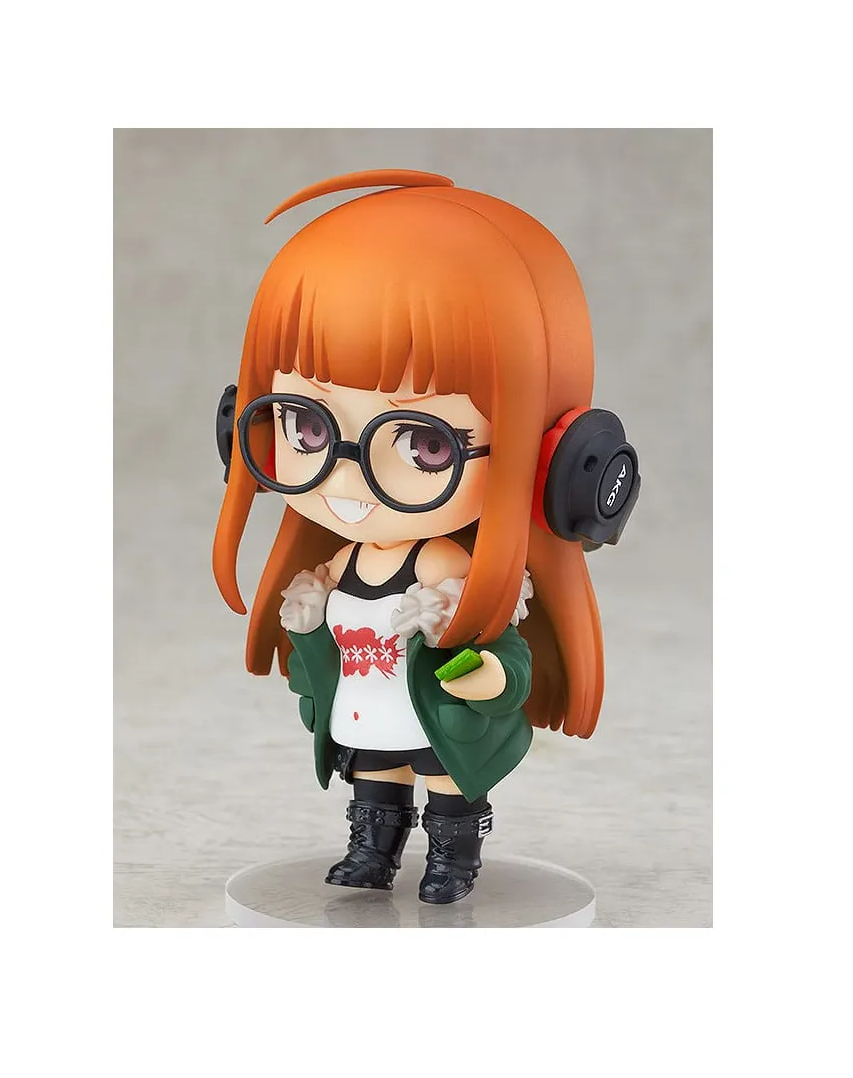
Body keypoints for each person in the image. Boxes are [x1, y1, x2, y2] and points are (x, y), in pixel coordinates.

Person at [213, 169, 638, 904]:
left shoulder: (442, 565)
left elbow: (501, 647)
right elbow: (321, 648)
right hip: (366, 709)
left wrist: (491, 679)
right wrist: (308, 632)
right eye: (306, 427)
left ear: (558, 467)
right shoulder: (334, 568)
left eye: (424, 444)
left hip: (439, 723)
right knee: (373, 780)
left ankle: (451, 859)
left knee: (445, 787)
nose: (345, 477)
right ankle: (371, 851)